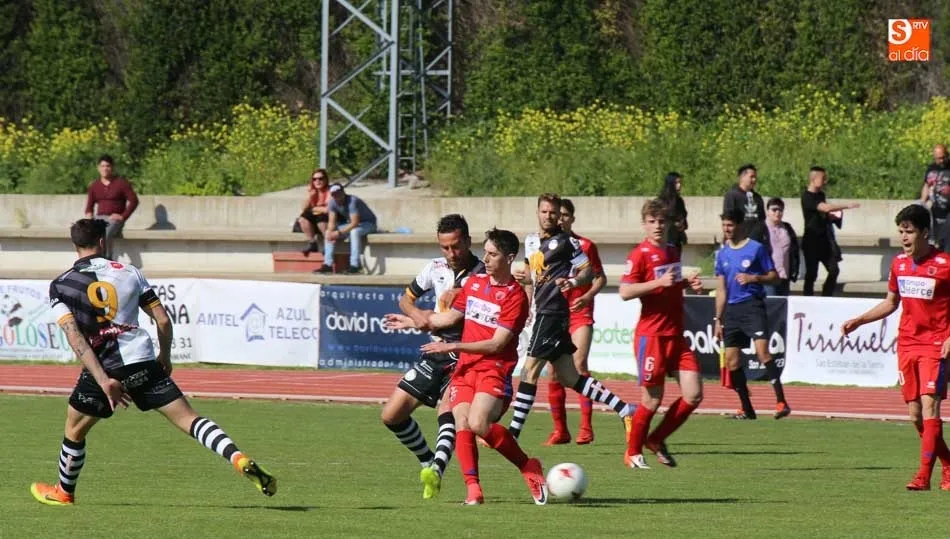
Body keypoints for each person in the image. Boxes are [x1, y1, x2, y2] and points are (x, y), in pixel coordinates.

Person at [30, 219, 275, 506]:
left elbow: (74, 336)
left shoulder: (61, 284)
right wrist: (165, 357)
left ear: (74, 246)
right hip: (141, 360)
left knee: (74, 428)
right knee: (189, 419)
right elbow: (162, 319)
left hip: (104, 365)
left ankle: (64, 492)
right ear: (101, 242)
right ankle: (238, 457)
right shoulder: (130, 273)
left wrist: (103, 380)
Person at [415, 228, 546, 505]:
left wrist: (453, 346)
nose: (485, 259)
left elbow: (496, 344)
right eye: (485, 252)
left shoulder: (515, 297)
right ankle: (473, 490)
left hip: (493, 369)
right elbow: (450, 317)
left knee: (478, 423)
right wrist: (415, 319)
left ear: (509, 258)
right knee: (461, 422)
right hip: (465, 369)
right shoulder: (474, 283)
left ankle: (527, 465)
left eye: (493, 254)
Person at [507, 193, 636, 443]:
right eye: (544, 211)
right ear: (537, 212)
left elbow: (588, 272)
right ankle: (624, 409)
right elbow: (532, 275)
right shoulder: (531, 241)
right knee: (570, 377)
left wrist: (573, 281)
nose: (549, 216)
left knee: (529, 372)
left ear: (559, 216)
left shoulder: (566, 242)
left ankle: (512, 434)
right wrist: (526, 296)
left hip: (554, 313)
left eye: (553, 212)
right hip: (542, 311)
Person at [842, 204, 950, 490]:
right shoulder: (899, 264)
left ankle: (923, 476)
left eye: (909, 231)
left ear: (925, 232)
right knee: (915, 415)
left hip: (936, 344)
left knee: (930, 406)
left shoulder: (944, 264)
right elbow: (891, 303)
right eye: (901, 231)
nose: (904, 237)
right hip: (907, 344)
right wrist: (860, 320)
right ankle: (949, 465)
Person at [380, 214, 484, 500]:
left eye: (456, 246)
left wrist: (426, 319)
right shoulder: (435, 268)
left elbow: (457, 320)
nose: (451, 253)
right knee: (391, 416)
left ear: (468, 241)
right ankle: (427, 461)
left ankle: (437, 470)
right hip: (434, 351)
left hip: (464, 354)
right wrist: (416, 316)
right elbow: (406, 299)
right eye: (445, 247)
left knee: (447, 411)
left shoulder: (483, 274)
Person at [619, 199, 704, 469]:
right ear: (645, 224)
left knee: (694, 395)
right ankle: (632, 453)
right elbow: (625, 291)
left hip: (676, 336)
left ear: (668, 224)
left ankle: (655, 439)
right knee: (652, 399)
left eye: (661, 221)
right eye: (652, 221)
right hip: (651, 337)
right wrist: (658, 282)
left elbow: (670, 286)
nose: (657, 226)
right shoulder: (639, 255)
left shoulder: (672, 250)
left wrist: (687, 282)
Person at [540, 198, 607, 446]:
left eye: (567, 215)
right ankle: (561, 431)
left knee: (578, 365)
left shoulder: (586, 245)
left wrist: (587, 295)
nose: (562, 218)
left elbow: (599, 277)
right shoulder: (545, 246)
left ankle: (586, 428)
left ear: (572, 218)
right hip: (556, 315)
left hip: (580, 313)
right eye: (560, 215)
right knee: (553, 372)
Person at [714, 210, 791, 420]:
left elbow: (774, 277)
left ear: (739, 225)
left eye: (730, 225)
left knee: (762, 352)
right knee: (732, 362)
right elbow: (721, 290)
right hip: (732, 311)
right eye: (724, 226)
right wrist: (718, 320)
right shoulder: (722, 254)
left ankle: (781, 402)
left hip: (752, 306)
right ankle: (747, 409)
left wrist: (753, 278)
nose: (726, 230)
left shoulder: (756, 248)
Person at [801, 167, 860, 296]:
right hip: (811, 241)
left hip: (824, 240)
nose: (825, 181)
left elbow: (822, 213)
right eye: (823, 178)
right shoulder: (807, 196)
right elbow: (825, 208)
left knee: (834, 270)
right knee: (811, 274)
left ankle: (826, 295)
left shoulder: (821, 195)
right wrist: (847, 206)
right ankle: (807, 299)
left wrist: (832, 217)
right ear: (814, 179)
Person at [314, 183, 378, 274]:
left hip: (369, 224)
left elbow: (355, 223)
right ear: (331, 195)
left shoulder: (352, 201)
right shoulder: (332, 202)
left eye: (339, 192)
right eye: (334, 194)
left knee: (354, 232)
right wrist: (331, 233)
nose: (337, 196)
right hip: (353, 224)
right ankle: (327, 264)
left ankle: (355, 265)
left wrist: (338, 233)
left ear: (343, 192)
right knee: (329, 232)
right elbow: (332, 222)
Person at [83, 155, 139, 260]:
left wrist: (123, 216)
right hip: (99, 218)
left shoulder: (121, 183)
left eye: (108, 166)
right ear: (98, 168)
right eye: (102, 166)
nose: (105, 168)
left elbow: (134, 201)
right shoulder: (94, 186)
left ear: (112, 167)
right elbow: (89, 207)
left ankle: (107, 259)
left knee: (105, 232)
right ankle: (91, 259)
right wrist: (88, 220)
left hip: (114, 219)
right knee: (86, 232)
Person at [722, 164, 769, 251]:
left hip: (756, 243)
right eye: (751, 177)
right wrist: (729, 239)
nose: (754, 180)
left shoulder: (757, 198)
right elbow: (728, 218)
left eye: (755, 177)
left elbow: (762, 220)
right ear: (742, 177)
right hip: (738, 243)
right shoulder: (732, 195)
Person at [763, 197, 800, 296]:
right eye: (774, 210)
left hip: (784, 275)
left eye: (780, 210)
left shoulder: (787, 227)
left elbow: (794, 249)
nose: (777, 213)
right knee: (772, 305)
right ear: (767, 211)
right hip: (768, 276)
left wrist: (795, 269)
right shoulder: (761, 228)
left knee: (783, 306)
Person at [920, 144, 950, 250]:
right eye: (938, 158)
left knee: (946, 243)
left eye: (943, 157)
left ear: (947, 155)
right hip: (935, 211)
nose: (941, 161)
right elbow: (926, 185)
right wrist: (922, 202)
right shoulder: (931, 168)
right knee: (935, 243)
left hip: (948, 212)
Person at [297, 169, 331, 254]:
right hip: (316, 217)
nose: (317, 181)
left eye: (320, 178)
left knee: (321, 220)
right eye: (314, 179)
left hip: (329, 217)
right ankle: (312, 243)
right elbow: (304, 209)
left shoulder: (330, 190)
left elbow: (327, 209)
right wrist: (310, 197)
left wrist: (313, 208)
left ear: (326, 180)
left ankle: (328, 245)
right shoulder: (312, 191)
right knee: (303, 218)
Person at [658, 172, 689, 250]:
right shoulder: (662, 201)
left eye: (680, 182)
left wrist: (682, 224)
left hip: (677, 240)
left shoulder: (679, 201)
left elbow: (684, 218)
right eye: (676, 183)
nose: (679, 185)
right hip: (666, 239)